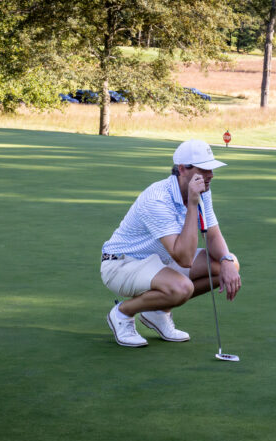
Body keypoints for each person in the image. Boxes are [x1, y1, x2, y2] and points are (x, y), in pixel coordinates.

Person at [100, 139, 242, 347]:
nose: (211, 175)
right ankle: (122, 313)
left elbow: (212, 233)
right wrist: (193, 205)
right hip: (122, 264)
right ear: (183, 169)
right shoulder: (157, 198)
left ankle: (158, 312)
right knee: (181, 288)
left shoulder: (203, 189)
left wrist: (227, 260)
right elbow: (184, 258)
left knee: (226, 266)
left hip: (160, 260)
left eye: (211, 169)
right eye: (204, 169)